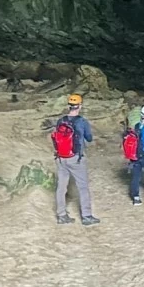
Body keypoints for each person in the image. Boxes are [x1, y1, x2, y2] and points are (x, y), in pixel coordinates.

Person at [53, 94, 99, 226]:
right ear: (80, 106)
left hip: (61, 158)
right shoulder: (82, 122)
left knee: (61, 187)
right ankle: (86, 216)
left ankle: (61, 215)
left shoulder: (60, 121)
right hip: (75, 158)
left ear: (69, 106)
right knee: (83, 187)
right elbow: (89, 138)